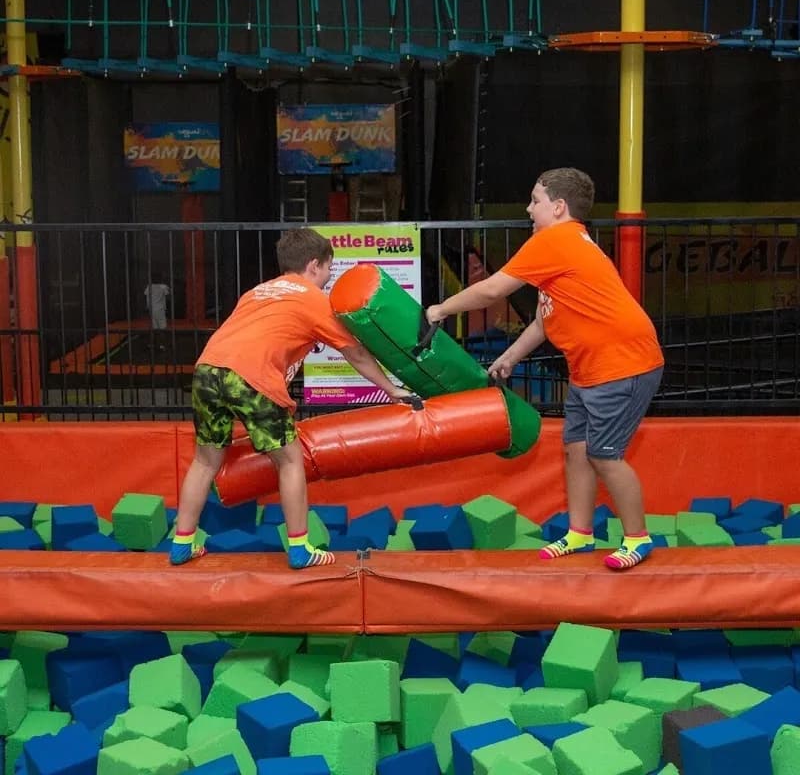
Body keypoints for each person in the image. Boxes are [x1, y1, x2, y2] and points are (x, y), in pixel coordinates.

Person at [426, 168, 664, 570]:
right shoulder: (564, 244)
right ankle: (580, 533)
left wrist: (441, 309)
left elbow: (492, 289)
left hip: (623, 364)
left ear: (558, 207)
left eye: (535, 200)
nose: (528, 208)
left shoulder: (556, 239)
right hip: (591, 369)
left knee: (604, 455)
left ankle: (638, 538)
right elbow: (543, 320)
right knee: (576, 451)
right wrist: (511, 356)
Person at [171, 227, 411, 569]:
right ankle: (300, 548)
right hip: (250, 377)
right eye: (329, 269)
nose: (328, 277)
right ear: (314, 265)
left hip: (207, 371)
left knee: (205, 462)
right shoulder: (313, 299)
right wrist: (391, 389)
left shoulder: (257, 291)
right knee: (289, 460)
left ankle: (182, 542)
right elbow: (355, 353)